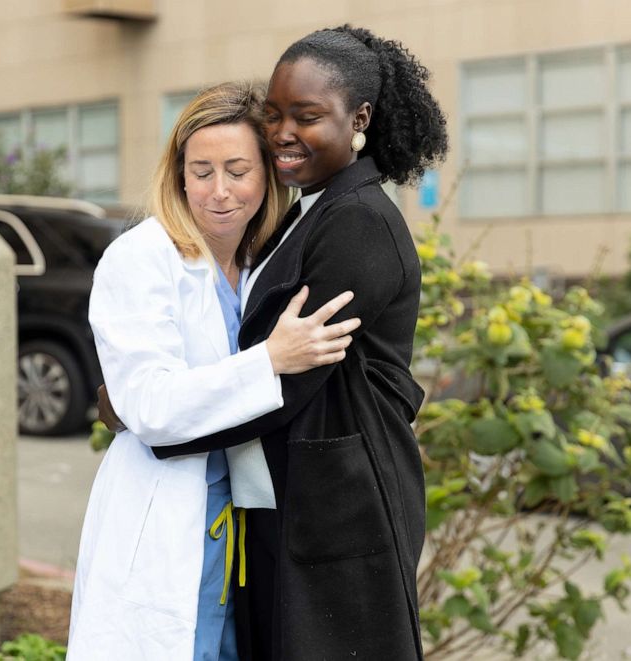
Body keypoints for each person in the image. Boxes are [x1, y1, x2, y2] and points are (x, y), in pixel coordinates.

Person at [109, 25, 449, 660]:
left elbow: (285, 382)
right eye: (274, 115)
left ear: (360, 119)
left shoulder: (359, 223)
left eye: (308, 116)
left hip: (344, 509)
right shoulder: (308, 210)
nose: (284, 133)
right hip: (291, 502)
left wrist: (135, 414)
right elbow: (260, 357)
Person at [66, 81, 361, 660]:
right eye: (201, 171)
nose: (219, 192)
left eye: (238, 170)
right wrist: (270, 361)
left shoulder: (261, 264)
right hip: (166, 520)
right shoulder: (142, 258)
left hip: (241, 529)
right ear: (178, 174)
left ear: (268, 175)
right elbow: (148, 405)